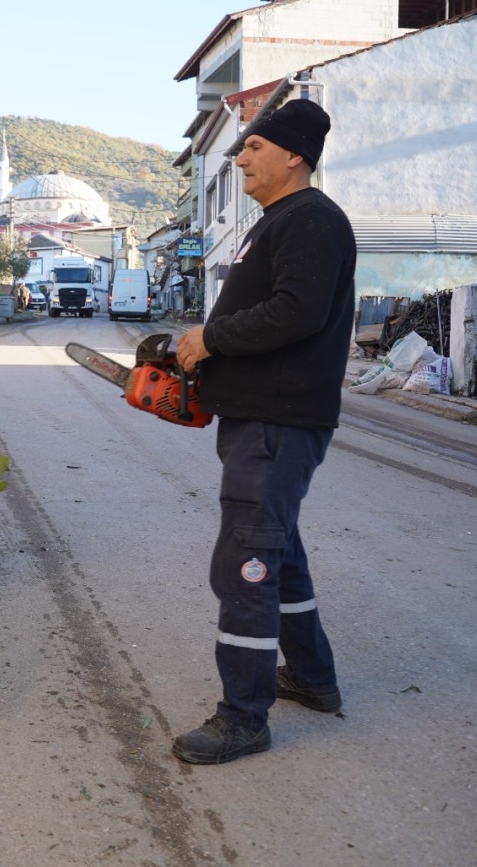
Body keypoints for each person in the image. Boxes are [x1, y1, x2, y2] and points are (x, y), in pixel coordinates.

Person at [172, 98, 355, 765]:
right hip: (262, 422)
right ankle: (311, 678)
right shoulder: (284, 220)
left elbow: (295, 312)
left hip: (277, 426)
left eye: (252, 147)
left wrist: (210, 338)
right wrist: (191, 354)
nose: (239, 156)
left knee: (245, 568)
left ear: (293, 155)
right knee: (277, 552)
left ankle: (243, 717)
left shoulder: (309, 218)